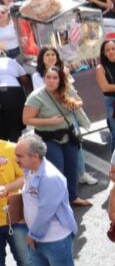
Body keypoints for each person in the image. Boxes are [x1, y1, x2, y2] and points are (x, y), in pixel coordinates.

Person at [15, 132, 81, 266]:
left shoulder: (50, 177)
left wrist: (33, 234)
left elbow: (46, 211)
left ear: (35, 156)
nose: (17, 159)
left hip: (54, 239)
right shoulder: (30, 172)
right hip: (37, 238)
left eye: (20, 156)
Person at [22, 65, 90, 207]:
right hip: (49, 138)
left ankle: (72, 197)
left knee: (72, 168)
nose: (51, 81)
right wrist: (50, 121)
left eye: (55, 78)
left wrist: (73, 103)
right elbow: (26, 120)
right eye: (48, 77)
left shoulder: (67, 90)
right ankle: (59, 201)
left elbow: (80, 102)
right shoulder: (36, 96)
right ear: (44, 79)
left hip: (69, 135)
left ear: (60, 80)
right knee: (57, 170)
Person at [0, 136, 50, 266]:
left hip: (14, 216)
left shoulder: (11, 149)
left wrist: (6, 188)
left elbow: (26, 176)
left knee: (26, 261)